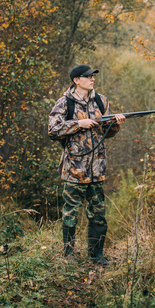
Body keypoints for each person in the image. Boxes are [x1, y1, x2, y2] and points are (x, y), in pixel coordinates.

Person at [48, 64, 125, 265]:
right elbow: (53, 130)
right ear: (76, 80)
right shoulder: (65, 103)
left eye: (93, 77)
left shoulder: (101, 101)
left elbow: (105, 134)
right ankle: (69, 255)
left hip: (97, 170)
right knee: (70, 214)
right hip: (74, 169)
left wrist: (115, 123)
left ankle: (96, 255)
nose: (92, 79)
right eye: (87, 76)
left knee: (98, 214)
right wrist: (78, 124)